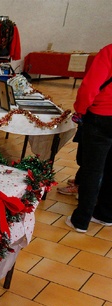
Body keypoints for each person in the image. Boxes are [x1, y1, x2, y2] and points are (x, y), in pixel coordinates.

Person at [66, 43, 112, 232]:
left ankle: (81, 219)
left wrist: (81, 110)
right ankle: (105, 214)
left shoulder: (109, 51)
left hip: (101, 117)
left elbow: (89, 87)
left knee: (92, 170)